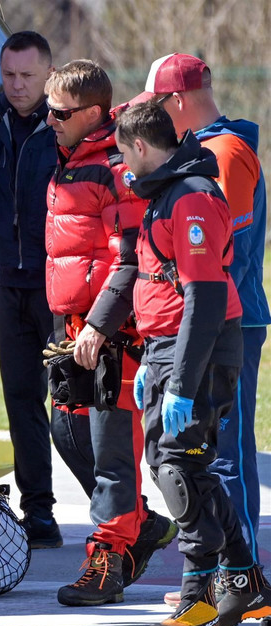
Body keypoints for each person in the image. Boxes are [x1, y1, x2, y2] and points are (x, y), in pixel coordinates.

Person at [114, 101, 271, 626]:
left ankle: (197, 599)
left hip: (196, 352)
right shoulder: (168, 195)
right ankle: (245, 578)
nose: (124, 168)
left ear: (139, 146)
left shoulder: (192, 199)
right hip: (171, 349)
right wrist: (155, 364)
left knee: (176, 470)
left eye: (123, 155)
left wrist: (179, 380)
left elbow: (204, 296)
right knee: (186, 469)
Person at [0, 30, 96, 549]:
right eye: (8, 75)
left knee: (72, 405)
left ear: (48, 77)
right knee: (21, 402)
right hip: (11, 288)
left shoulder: (65, 129)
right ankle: (39, 514)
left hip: (60, 293)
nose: (16, 85)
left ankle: (121, 509)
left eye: (27, 76)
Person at [43, 60, 175, 606]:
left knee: (114, 452)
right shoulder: (68, 161)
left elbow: (130, 259)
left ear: (92, 114)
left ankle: (109, 559)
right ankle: (139, 527)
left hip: (113, 336)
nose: (48, 119)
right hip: (75, 330)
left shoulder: (116, 168)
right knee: (69, 434)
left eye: (59, 111)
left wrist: (101, 325)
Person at [138, 53, 267, 569]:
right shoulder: (205, 151)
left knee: (227, 454)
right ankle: (225, 577)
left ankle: (242, 576)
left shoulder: (225, 153)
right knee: (206, 454)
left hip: (226, 324)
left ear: (176, 101)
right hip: (205, 326)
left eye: (154, 107)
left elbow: (214, 260)